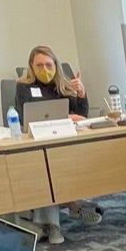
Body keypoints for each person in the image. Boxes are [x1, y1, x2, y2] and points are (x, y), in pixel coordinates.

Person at [14, 45, 100, 233]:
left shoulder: (62, 84)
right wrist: (65, 117)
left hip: (66, 140)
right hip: (37, 143)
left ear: (56, 65)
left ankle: (71, 205)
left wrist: (81, 94)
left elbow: (81, 116)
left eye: (48, 64)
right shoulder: (24, 87)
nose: (44, 70)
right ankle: (63, 215)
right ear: (31, 66)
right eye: (39, 65)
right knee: (48, 167)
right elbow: (27, 116)